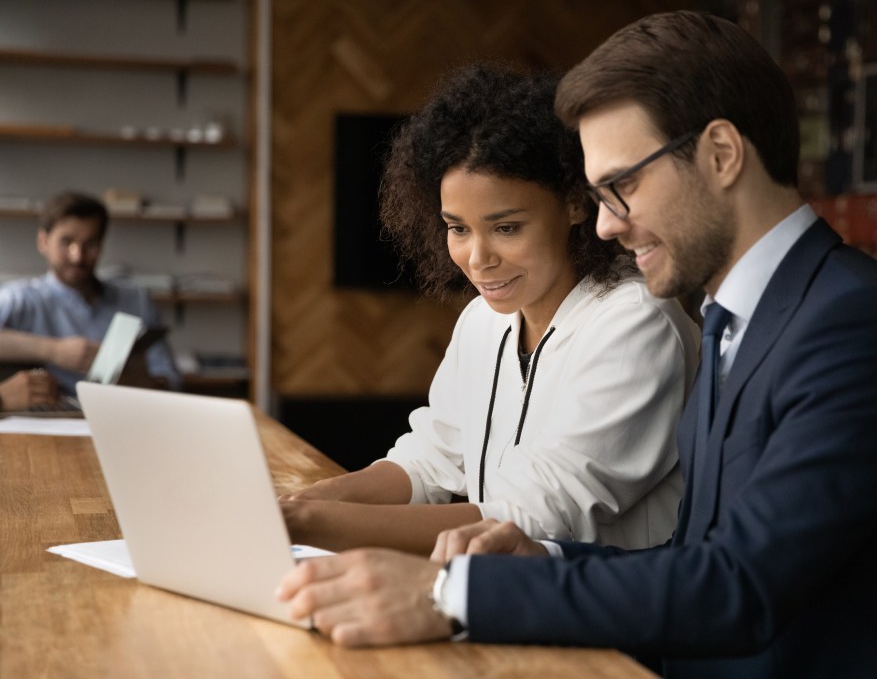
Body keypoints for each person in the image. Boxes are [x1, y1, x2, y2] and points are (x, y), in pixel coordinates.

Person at [275, 11, 877, 678]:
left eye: (621, 187)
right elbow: (694, 562)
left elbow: (738, 588)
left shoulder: (858, 330)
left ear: (720, 154)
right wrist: (538, 558)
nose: (605, 225)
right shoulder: (737, 320)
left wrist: (450, 594)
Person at [278, 63, 699, 555]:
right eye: (458, 228)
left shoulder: (636, 324)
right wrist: (305, 502)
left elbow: (534, 518)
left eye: (506, 228)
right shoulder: (484, 319)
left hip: (602, 618)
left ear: (575, 205)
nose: (477, 260)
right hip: (500, 594)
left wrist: (310, 524)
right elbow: (430, 460)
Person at [0, 191, 181, 396]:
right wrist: (53, 350)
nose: (78, 256)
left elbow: (171, 379)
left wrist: (143, 382)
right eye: (66, 241)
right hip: (53, 418)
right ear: (43, 242)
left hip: (122, 413)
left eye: (91, 243)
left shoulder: (135, 299)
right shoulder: (19, 299)